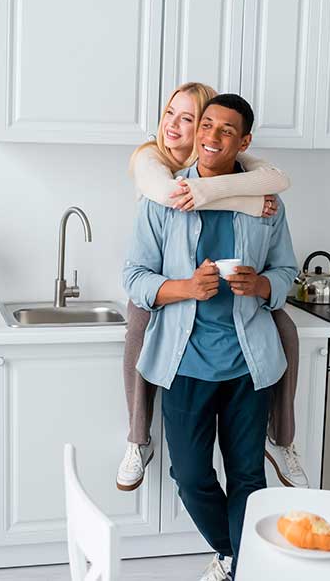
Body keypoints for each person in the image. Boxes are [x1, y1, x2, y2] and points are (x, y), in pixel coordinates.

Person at [123, 93, 298, 581]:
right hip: (184, 362)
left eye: (227, 130)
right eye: (208, 126)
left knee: (247, 476)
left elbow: (287, 269)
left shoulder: (266, 203)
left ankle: (240, 569)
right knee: (191, 475)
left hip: (250, 362)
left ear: (244, 141)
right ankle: (244, 557)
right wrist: (183, 287)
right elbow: (134, 275)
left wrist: (263, 285)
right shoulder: (166, 198)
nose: (213, 137)